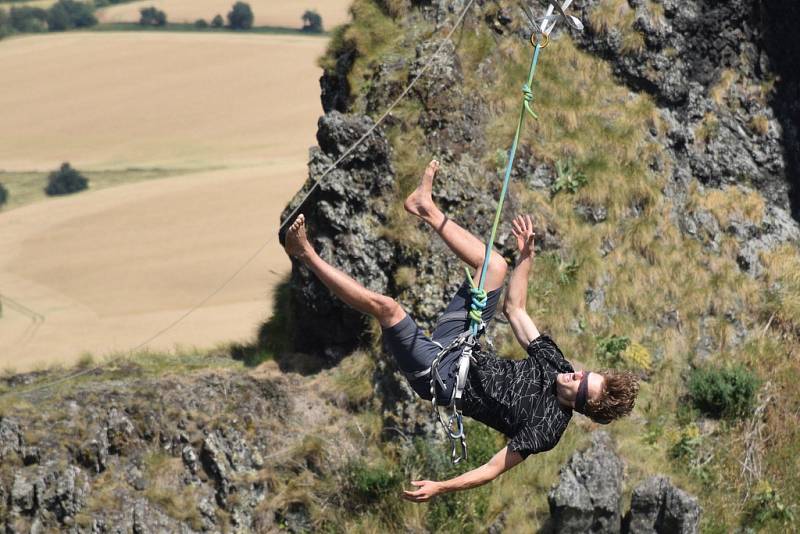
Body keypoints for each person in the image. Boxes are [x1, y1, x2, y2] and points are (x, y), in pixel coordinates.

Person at [282, 159, 639, 503]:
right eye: (584, 372)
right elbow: (516, 309)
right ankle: (424, 206)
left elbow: (490, 469)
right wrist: (526, 257)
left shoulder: (546, 427)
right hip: (463, 343)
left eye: (580, 382)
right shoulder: (556, 364)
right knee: (495, 265)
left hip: (439, 376)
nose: (574, 373)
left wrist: (442, 487)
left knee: (387, 308)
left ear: (580, 403)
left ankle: (305, 252)